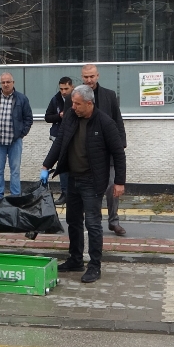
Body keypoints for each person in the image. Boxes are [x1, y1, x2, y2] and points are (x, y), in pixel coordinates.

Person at [41, 85, 126, 284]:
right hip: (73, 178)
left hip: (93, 181)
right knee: (73, 220)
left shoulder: (105, 123)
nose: (73, 107)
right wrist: (46, 165)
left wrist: (119, 182)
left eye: (77, 104)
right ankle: (75, 259)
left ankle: (95, 266)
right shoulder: (70, 117)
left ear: (89, 104)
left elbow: (118, 153)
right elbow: (60, 141)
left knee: (93, 224)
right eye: (73, 103)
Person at [72, 64, 128, 236]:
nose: (89, 80)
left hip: (108, 152)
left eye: (92, 76)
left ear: (98, 76)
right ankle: (88, 221)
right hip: (86, 153)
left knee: (112, 188)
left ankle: (113, 221)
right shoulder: (76, 96)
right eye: (86, 77)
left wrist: (120, 143)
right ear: (81, 77)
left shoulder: (109, 95)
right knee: (88, 190)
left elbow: (117, 120)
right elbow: (71, 122)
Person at [0, 72, 33, 203]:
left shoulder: (22, 99)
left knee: (15, 171)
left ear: (13, 83)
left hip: (15, 141)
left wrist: (22, 133)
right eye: (3, 82)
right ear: (0, 84)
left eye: (8, 82)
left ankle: (15, 196)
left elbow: (28, 118)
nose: (5, 84)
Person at [45, 77, 74, 205]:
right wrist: (59, 116)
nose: (63, 92)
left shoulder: (77, 97)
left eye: (66, 89)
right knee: (62, 165)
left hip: (74, 136)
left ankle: (75, 193)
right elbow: (47, 117)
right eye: (61, 89)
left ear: (72, 87)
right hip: (59, 136)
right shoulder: (55, 99)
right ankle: (65, 193)